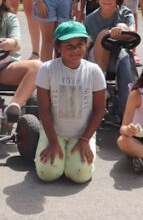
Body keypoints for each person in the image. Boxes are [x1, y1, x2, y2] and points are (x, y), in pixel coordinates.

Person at [34, 21, 106, 184]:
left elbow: (100, 109)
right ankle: (48, 146)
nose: (75, 50)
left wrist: (85, 140)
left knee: (80, 174)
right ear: (58, 48)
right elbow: (44, 110)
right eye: (69, 46)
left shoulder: (94, 71)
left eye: (80, 45)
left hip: (82, 133)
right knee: (47, 173)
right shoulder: (47, 69)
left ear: (86, 45)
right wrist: (52, 141)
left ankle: (73, 158)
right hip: (55, 131)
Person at [83, 0, 136, 75]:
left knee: (123, 27)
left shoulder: (125, 13)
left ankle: (127, 84)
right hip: (97, 59)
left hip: (120, 55)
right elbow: (85, 47)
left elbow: (133, 32)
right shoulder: (89, 20)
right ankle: (102, 78)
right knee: (104, 34)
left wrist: (122, 29)